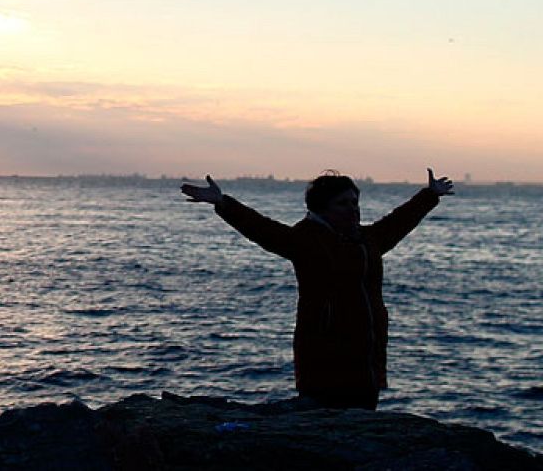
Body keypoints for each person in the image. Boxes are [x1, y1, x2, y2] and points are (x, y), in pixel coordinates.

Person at [180, 168, 454, 410]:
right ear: (322, 208)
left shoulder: (366, 241)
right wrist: (223, 203)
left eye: (355, 202)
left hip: (367, 360)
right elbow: (263, 229)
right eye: (343, 204)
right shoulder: (306, 241)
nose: (353, 209)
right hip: (324, 362)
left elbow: (398, 222)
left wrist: (430, 196)